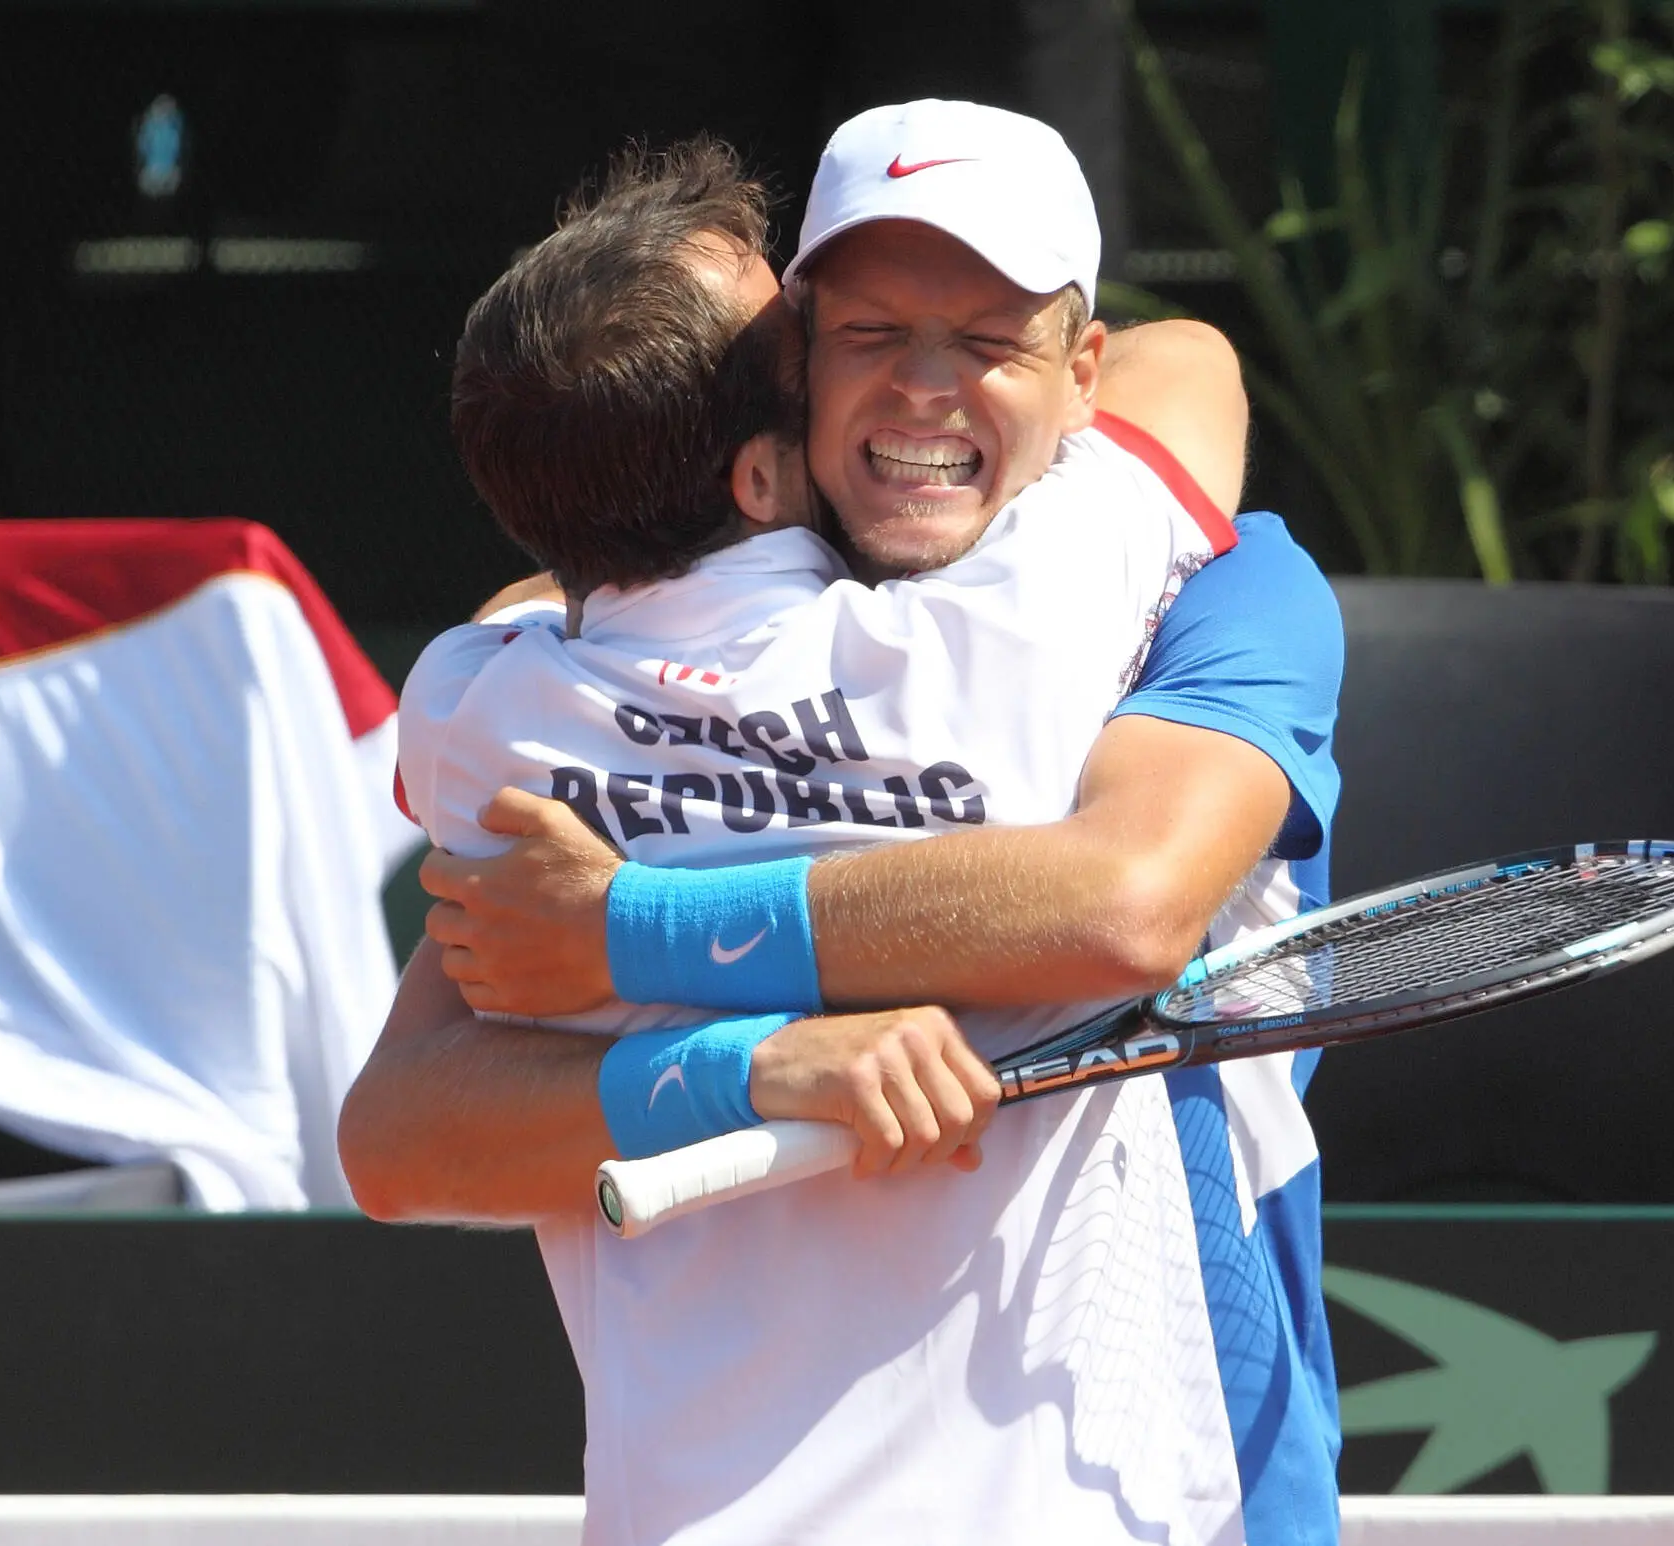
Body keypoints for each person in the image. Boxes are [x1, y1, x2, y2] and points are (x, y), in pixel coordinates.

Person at [343, 104, 1342, 1545]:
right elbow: (400, 1135)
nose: (925, 390)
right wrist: (776, 1062)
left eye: (989, 339)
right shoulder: (1059, 614)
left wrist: (638, 924)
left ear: (1080, 365)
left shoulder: (494, 719)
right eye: (858, 335)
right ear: (782, 409)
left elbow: (1129, 900)